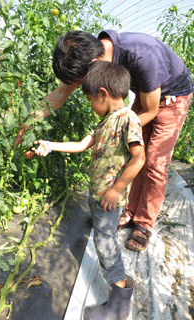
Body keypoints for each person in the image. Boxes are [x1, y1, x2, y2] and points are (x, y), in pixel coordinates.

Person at [15, 29, 193, 252]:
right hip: (146, 92)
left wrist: (115, 130)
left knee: (154, 162)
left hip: (170, 96)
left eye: (81, 83)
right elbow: (59, 94)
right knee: (133, 154)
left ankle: (144, 223)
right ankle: (128, 212)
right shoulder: (86, 59)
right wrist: (26, 124)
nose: (81, 87)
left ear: (94, 63)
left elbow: (151, 110)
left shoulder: (142, 56)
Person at [32, 61, 145, 320]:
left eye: (91, 100)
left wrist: (116, 190)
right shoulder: (105, 122)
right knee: (101, 238)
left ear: (103, 94)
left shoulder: (127, 118)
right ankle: (118, 297)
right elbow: (81, 145)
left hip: (108, 199)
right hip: (98, 197)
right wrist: (50, 144)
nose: (91, 106)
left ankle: (118, 306)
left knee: (106, 246)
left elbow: (139, 158)